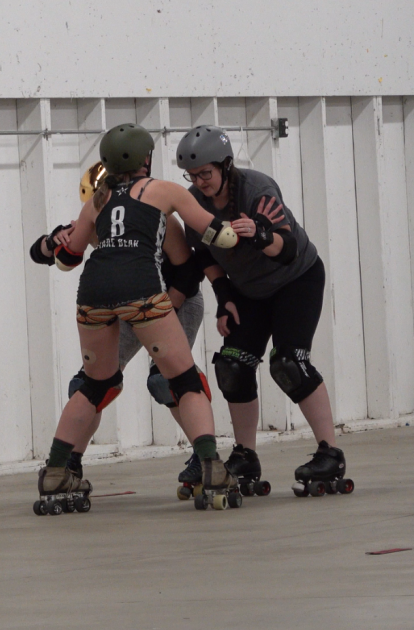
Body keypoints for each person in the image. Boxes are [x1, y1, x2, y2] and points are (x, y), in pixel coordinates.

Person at [33, 124, 244, 514]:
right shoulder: (163, 190)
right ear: (146, 158)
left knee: (95, 385)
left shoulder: (95, 201)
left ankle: (56, 471)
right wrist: (242, 232)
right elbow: (219, 236)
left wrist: (54, 241)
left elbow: (66, 262)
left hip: (93, 296)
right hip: (142, 294)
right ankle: (212, 466)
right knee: (183, 378)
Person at [176, 126, 353, 497]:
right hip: (247, 291)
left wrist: (258, 233)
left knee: (289, 362)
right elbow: (205, 255)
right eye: (192, 176)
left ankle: (329, 452)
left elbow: (286, 248)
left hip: (296, 279)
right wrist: (225, 298)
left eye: (206, 173)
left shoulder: (257, 190)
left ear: (225, 166)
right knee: (232, 364)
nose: (200, 182)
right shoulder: (195, 203)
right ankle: (245, 455)